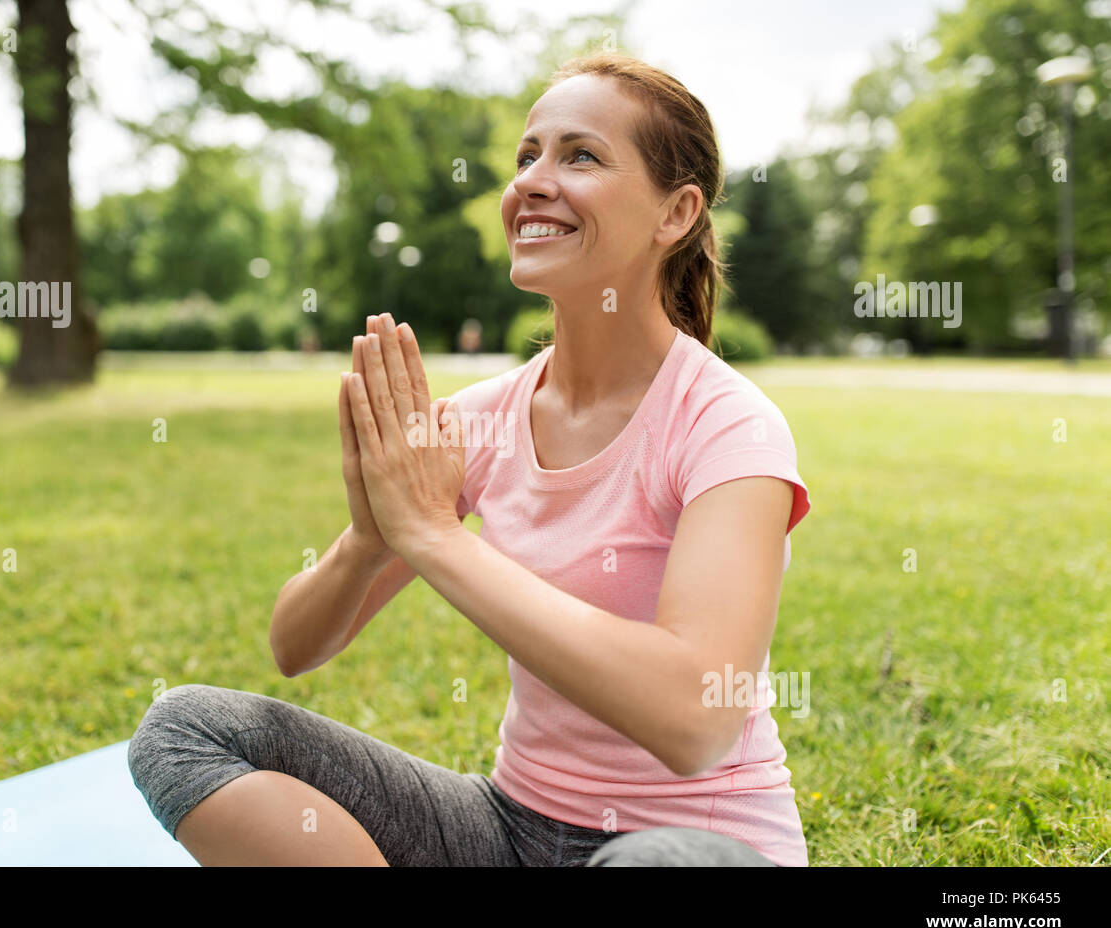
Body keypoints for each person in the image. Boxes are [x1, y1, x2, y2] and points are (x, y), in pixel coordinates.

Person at [128, 51, 812, 867]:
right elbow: (295, 647)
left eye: (580, 155)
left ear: (676, 213)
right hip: (509, 828)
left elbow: (697, 722)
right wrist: (370, 538)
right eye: (528, 156)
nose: (533, 181)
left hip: (692, 848)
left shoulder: (727, 425)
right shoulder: (480, 421)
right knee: (186, 729)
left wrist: (438, 538)